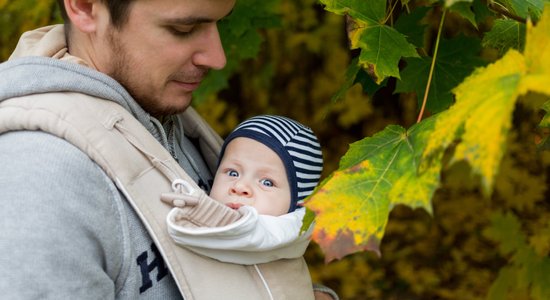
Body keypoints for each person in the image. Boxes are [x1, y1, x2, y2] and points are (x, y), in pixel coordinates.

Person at [0, 0, 337, 299]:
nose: (217, 57)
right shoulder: (40, 179)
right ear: (86, 7)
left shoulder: (160, 113)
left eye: (220, 22)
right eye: (184, 28)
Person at [165, 115, 323, 264]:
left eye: (267, 182)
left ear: (299, 203)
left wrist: (196, 211)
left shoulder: (280, 234)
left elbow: (241, 234)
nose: (240, 187)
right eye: (233, 173)